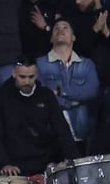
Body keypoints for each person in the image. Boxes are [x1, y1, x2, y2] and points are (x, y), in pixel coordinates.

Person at [0, 58, 80, 175]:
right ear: (14, 74)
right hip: (12, 165)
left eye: (31, 77)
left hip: (44, 163)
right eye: (22, 77)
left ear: (37, 75)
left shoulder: (46, 95)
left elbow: (62, 129)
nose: (27, 82)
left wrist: (74, 160)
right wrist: (4, 163)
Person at [36, 20, 100, 148]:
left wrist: (60, 92)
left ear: (73, 37)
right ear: (51, 38)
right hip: (50, 133)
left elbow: (92, 91)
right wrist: (72, 102)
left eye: (65, 27)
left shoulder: (87, 64)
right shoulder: (39, 64)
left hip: (81, 132)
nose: (60, 29)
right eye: (56, 28)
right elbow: (41, 96)